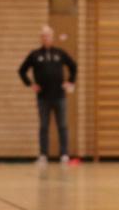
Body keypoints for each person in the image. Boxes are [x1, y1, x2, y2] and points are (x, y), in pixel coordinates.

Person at [18, 26, 77, 166]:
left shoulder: (60, 53)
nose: (46, 38)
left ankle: (64, 155)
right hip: (43, 97)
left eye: (48, 36)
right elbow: (22, 71)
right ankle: (43, 155)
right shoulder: (35, 55)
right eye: (43, 36)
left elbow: (73, 66)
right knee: (44, 126)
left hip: (59, 96)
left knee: (62, 126)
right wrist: (30, 84)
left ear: (52, 37)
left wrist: (70, 82)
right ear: (41, 38)